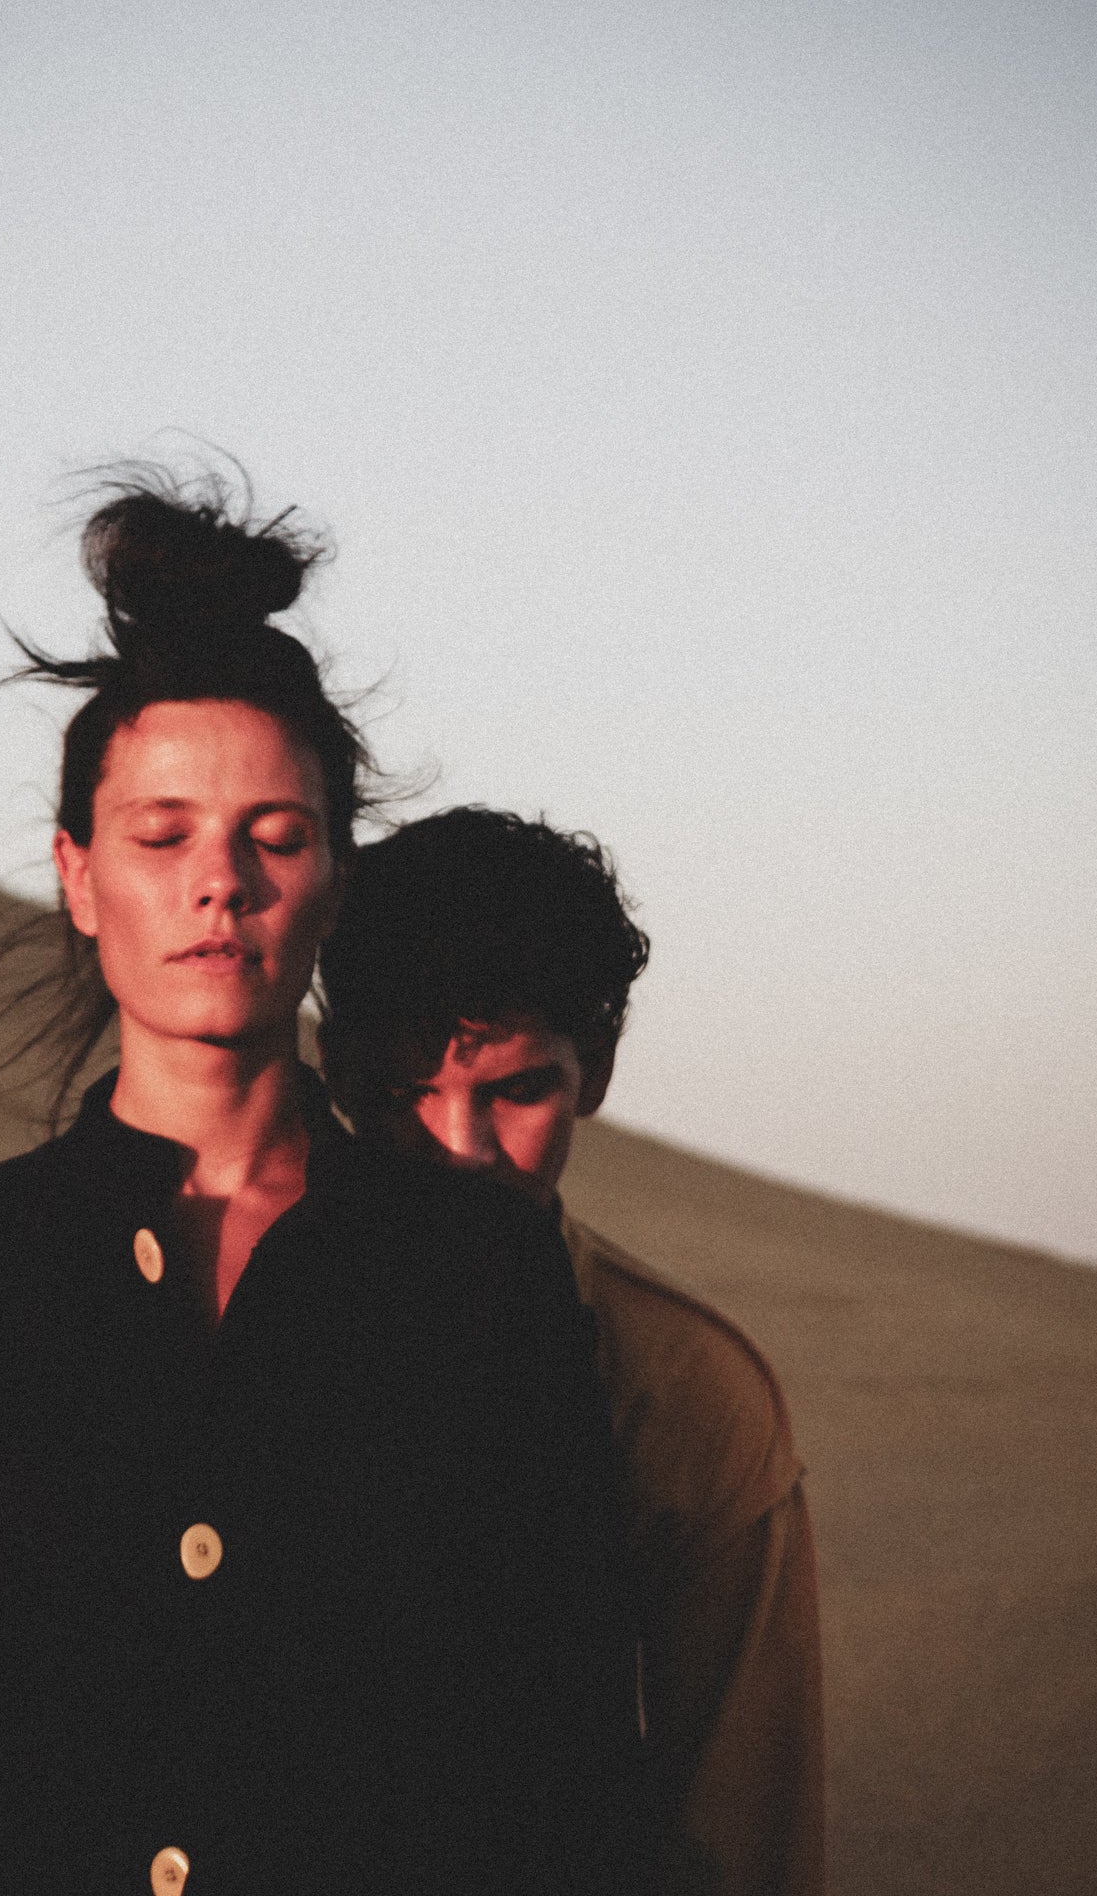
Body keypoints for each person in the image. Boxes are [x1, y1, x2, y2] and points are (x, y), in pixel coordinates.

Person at [0, 478, 643, 1896]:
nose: (217, 883)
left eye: (274, 839)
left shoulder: (475, 1277)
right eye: (161, 838)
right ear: (79, 877)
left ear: (336, 883)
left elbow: (561, 1769)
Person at [317, 806, 826, 1896]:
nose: (460, 1149)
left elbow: (739, 1832)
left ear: (593, 1071)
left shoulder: (684, 1386)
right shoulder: (230, 1312)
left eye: (514, 1089)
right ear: (337, 1071)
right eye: (408, 1092)